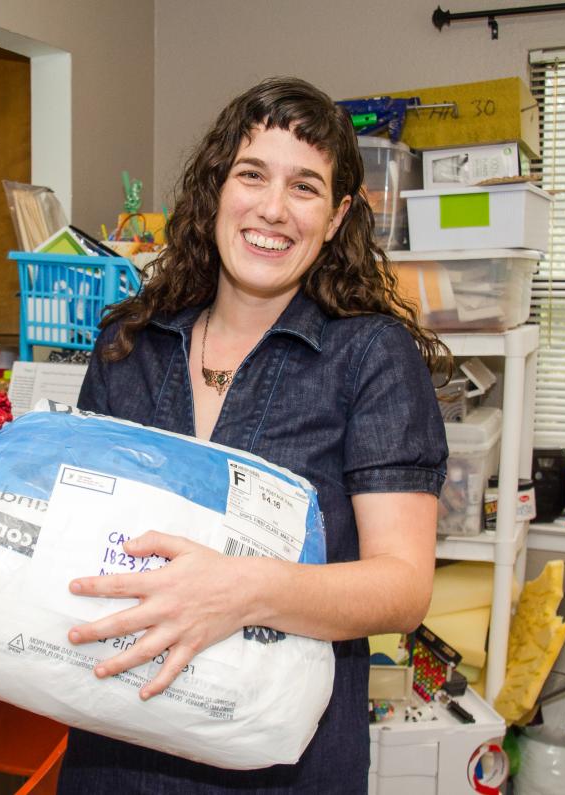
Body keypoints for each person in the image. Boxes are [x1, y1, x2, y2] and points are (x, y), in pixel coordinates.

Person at [58, 76, 450, 794]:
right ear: (216, 190)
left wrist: (241, 591)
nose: (272, 208)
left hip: (280, 763)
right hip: (119, 750)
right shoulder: (129, 344)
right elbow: (82, 526)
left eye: (305, 187)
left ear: (335, 218)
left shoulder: (369, 358)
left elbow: (403, 587)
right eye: (252, 174)